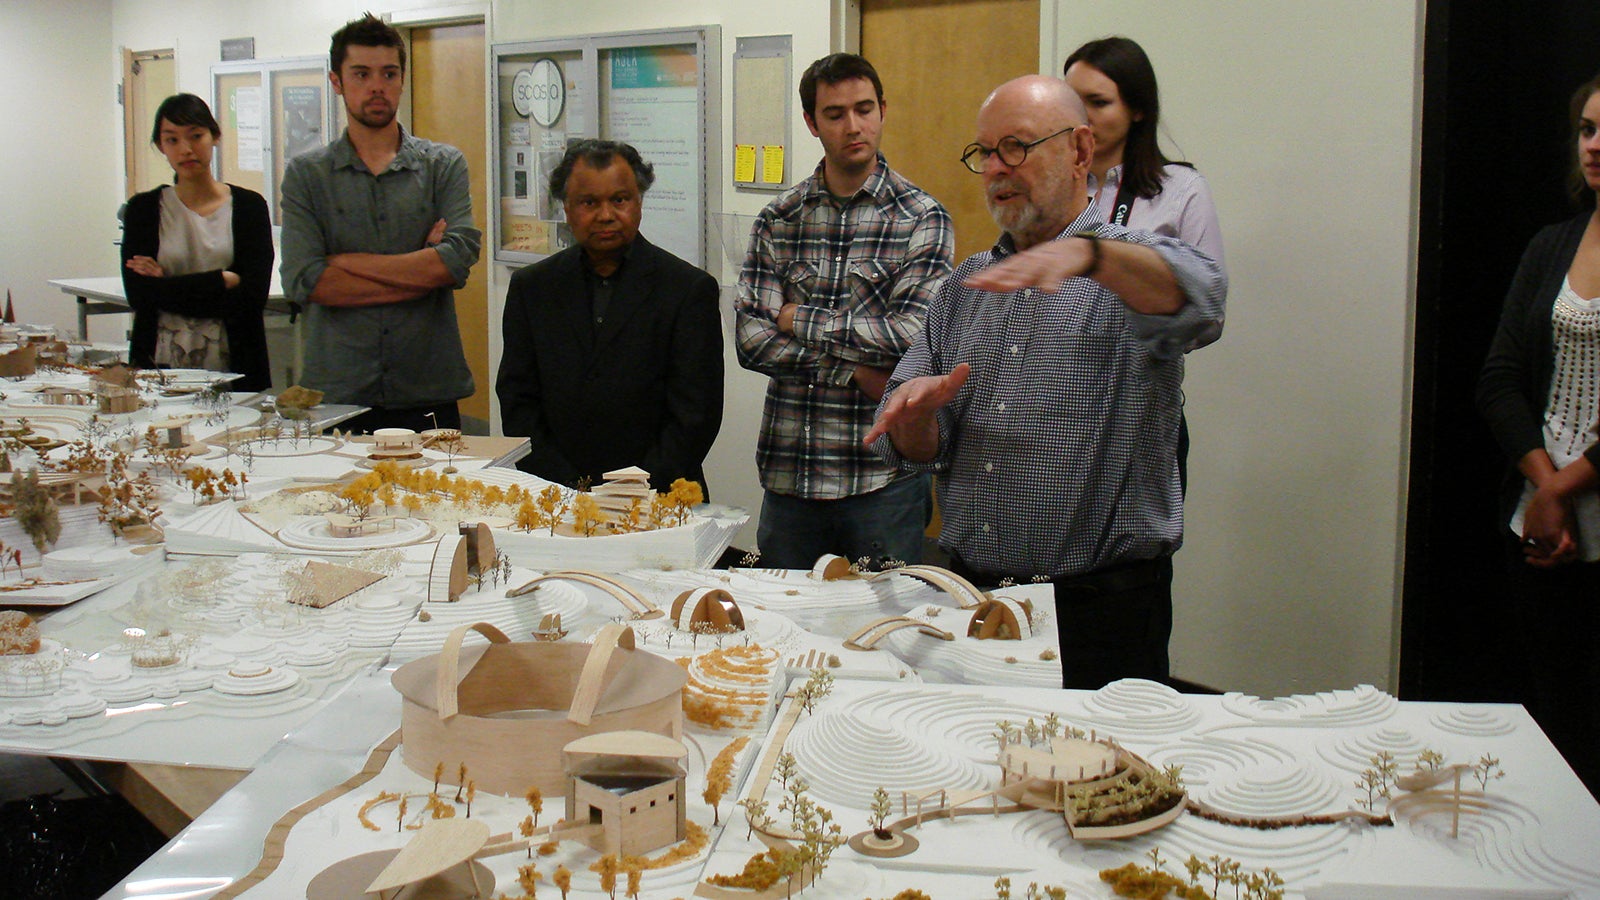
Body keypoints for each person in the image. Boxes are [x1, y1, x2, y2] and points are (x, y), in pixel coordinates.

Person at [866, 75, 1226, 689]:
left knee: (1095, 781)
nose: (997, 169)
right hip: (975, 601)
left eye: (1017, 146)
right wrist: (915, 420)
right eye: (985, 153)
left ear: (1080, 151)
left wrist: (1090, 255)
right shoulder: (965, 287)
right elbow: (917, 446)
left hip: (1097, 616)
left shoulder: (1126, 266)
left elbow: (1202, 298)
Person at [736, 53, 954, 570]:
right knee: (785, 639)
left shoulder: (921, 217)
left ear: (883, 109)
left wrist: (798, 319)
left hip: (880, 480)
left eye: (864, 109)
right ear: (812, 122)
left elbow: (911, 336)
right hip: (792, 476)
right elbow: (750, 338)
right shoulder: (779, 219)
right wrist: (855, 370)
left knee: (886, 638)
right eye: (835, 114)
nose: (853, 126)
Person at [1476, 73, 1600, 797]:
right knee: (1552, 709)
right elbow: (1497, 377)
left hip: (1578, 497)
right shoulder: (1553, 243)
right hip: (1540, 513)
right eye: (1586, 128)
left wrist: (1571, 484)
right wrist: (1546, 488)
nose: (1595, 144)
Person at [280, 13, 481, 432]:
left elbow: (456, 260)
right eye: (361, 74)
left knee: (439, 499)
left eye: (389, 73)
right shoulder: (307, 175)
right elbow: (306, 281)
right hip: (336, 392)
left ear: (402, 78)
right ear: (336, 81)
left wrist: (342, 262)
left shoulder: (442, 165)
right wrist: (421, 265)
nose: (377, 86)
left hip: (427, 386)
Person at [498, 140, 723, 494]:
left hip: (662, 496)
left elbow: (696, 416)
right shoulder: (532, 289)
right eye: (589, 202)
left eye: (620, 200)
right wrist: (571, 486)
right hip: (555, 495)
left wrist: (629, 490)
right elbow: (518, 402)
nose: (605, 215)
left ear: (639, 202)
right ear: (567, 208)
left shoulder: (688, 290)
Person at [1065, 36, 1225, 488]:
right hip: (1053, 414)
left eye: (1098, 102)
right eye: (1072, 102)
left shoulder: (1180, 189)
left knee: (1136, 555)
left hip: (1139, 416)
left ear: (1137, 109)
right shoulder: (1051, 189)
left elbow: (1208, 316)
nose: (1082, 116)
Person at [121, 94, 272, 392]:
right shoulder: (143, 209)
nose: (186, 149)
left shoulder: (249, 206)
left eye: (196, 136)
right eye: (172, 140)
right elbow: (139, 295)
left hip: (235, 366)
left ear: (215, 136)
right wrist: (221, 280)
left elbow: (251, 298)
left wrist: (165, 283)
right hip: (158, 367)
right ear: (161, 146)